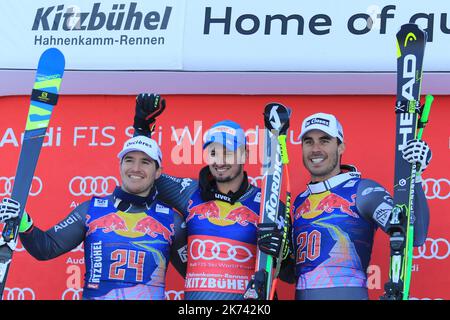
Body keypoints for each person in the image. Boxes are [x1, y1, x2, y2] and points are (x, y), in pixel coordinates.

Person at [132, 94, 293, 300]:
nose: (220, 161)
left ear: (244, 154)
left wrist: (284, 255)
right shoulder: (190, 192)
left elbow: (290, 275)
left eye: (228, 152)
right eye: (214, 153)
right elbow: (141, 177)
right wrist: (142, 129)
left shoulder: (267, 203)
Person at [0, 135, 187, 300]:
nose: (136, 168)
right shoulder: (92, 210)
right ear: (120, 165)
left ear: (158, 172)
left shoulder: (172, 220)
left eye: (145, 162)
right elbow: (46, 248)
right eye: (129, 160)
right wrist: (23, 222)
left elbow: (195, 275)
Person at [289, 112, 431, 300]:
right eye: (308, 141)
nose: (315, 148)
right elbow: (291, 274)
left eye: (324, 141)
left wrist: (416, 176)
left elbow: (415, 235)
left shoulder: (362, 190)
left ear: (341, 147)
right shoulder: (299, 201)